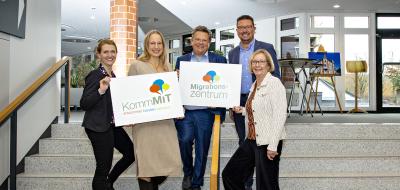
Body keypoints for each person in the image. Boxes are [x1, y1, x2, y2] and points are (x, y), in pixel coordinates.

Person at [228, 15, 281, 189]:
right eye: (241, 27)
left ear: (253, 28)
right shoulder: (233, 53)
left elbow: (279, 115)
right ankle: (246, 183)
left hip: (264, 106)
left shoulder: (266, 49)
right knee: (244, 147)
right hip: (246, 102)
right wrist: (239, 108)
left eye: (248, 27)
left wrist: (273, 145)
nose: (244, 30)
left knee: (266, 177)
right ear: (237, 30)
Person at [222, 49, 287, 190]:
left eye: (261, 62)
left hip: (268, 142)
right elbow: (260, 110)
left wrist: (273, 145)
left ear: (269, 65)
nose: (257, 65)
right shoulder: (255, 85)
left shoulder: (274, 84)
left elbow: (279, 115)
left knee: (266, 185)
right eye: (254, 62)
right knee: (230, 175)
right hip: (252, 140)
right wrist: (243, 110)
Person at [127, 30, 182, 190]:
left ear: (163, 46)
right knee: (146, 167)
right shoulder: (137, 65)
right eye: (152, 43)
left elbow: (171, 94)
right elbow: (129, 93)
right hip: (144, 125)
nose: (156, 47)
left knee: (168, 163)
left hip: (165, 124)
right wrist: (128, 115)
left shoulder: (168, 66)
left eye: (159, 43)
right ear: (146, 45)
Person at [175, 25, 227, 190]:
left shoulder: (219, 60)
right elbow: (175, 87)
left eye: (204, 40)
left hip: (206, 112)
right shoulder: (181, 60)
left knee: (202, 147)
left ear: (209, 42)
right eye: (198, 39)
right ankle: (188, 172)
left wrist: (219, 102)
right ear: (192, 40)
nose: (200, 43)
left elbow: (225, 85)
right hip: (186, 112)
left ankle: (196, 183)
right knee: (184, 140)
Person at [80, 39, 135, 190]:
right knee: (102, 168)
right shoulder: (95, 75)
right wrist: (100, 90)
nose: (110, 55)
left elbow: (112, 106)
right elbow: (84, 103)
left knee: (131, 153)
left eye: (112, 51)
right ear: (99, 55)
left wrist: (127, 117)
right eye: (105, 52)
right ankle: (104, 183)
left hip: (112, 125)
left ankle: (108, 183)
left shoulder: (114, 76)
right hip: (98, 127)